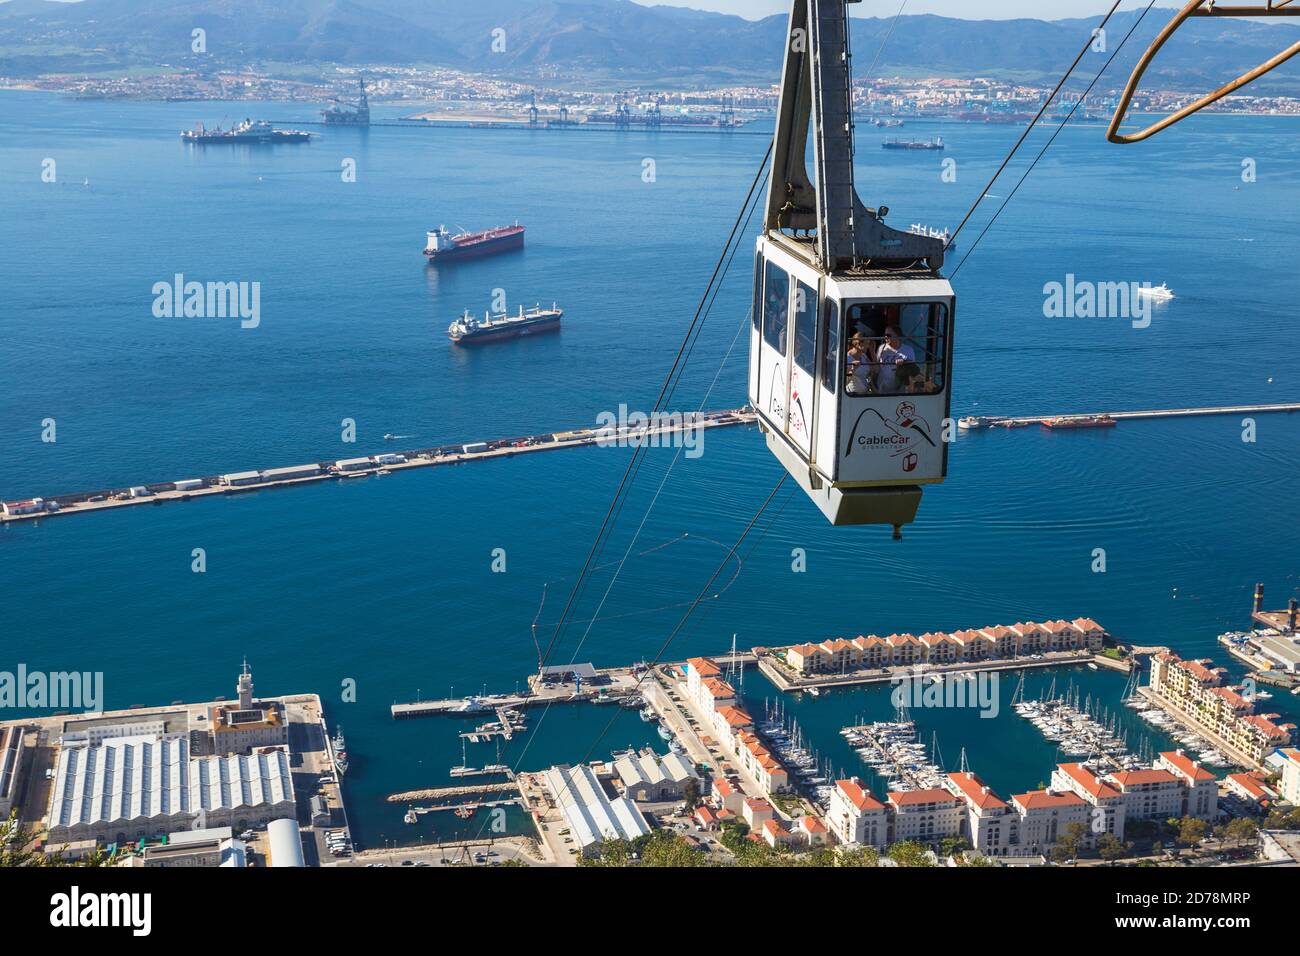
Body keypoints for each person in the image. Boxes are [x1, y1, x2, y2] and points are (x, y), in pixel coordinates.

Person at [874, 326, 915, 394]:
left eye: (888, 335)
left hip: (900, 390)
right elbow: (877, 366)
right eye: (885, 335)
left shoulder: (908, 350)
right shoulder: (881, 348)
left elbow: (913, 369)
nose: (886, 337)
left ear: (897, 335)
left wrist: (904, 362)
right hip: (883, 390)